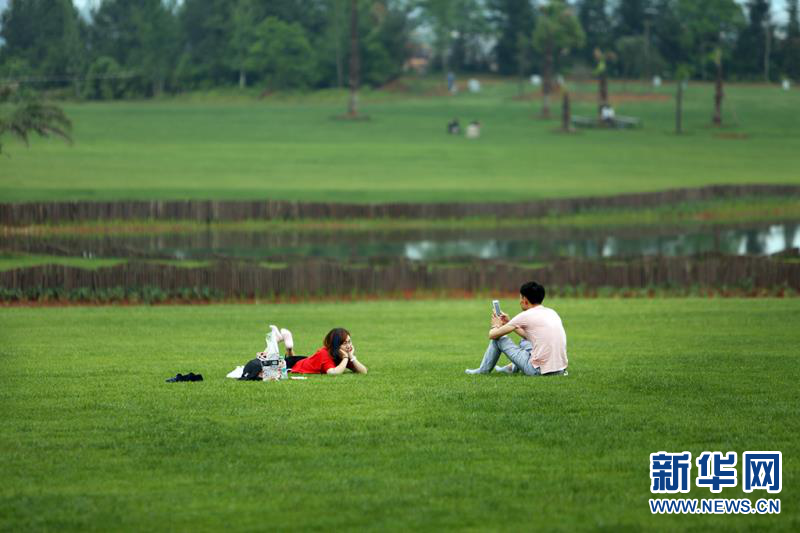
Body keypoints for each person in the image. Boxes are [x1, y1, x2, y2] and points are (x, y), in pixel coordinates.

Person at [466, 281, 567, 376]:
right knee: (525, 342)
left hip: (538, 370)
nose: (520, 302)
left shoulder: (525, 315)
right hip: (560, 370)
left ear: (525, 300)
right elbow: (529, 336)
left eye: (520, 298)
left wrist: (496, 325)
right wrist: (510, 322)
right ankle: (512, 368)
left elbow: (493, 335)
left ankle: (482, 371)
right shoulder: (552, 312)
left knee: (500, 339)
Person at [287, 327, 368, 375]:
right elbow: (333, 373)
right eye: (345, 343)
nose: (349, 346)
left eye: (349, 341)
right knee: (276, 363)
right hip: (294, 365)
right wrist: (346, 357)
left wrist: (352, 357)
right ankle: (282, 343)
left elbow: (363, 371)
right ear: (336, 345)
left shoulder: (342, 353)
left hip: (305, 360)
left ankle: (289, 349)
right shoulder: (325, 354)